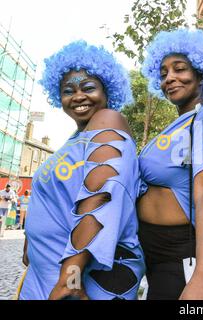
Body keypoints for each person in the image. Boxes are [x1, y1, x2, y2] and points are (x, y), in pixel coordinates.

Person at [19, 41, 145, 300]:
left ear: (107, 90)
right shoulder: (74, 139)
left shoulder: (108, 120)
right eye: (68, 90)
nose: (78, 96)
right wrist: (31, 242)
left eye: (88, 88)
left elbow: (102, 194)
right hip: (47, 273)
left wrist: (71, 276)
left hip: (81, 278)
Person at [138, 29, 203, 299]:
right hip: (154, 253)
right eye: (163, 73)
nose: (169, 78)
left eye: (179, 69)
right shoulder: (179, 123)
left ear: (201, 71)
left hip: (180, 255)